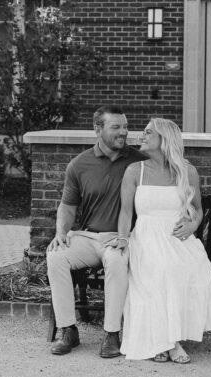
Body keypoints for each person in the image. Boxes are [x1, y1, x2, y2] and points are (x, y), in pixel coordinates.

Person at [114, 117, 211, 363]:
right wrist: (123, 238)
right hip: (145, 238)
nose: (141, 136)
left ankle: (166, 341)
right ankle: (171, 343)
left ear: (164, 139)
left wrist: (192, 224)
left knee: (181, 268)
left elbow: (197, 209)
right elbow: (125, 213)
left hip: (177, 238)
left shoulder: (188, 172)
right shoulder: (135, 171)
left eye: (148, 132)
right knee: (161, 269)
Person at [46, 105, 148, 358]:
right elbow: (68, 207)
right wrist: (61, 232)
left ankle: (112, 334)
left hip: (123, 238)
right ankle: (68, 330)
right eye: (116, 127)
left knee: (115, 260)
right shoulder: (79, 165)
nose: (123, 132)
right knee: (56, 256)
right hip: (89, 237)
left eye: (125, 126)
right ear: (98, 129)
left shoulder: (140, 162)